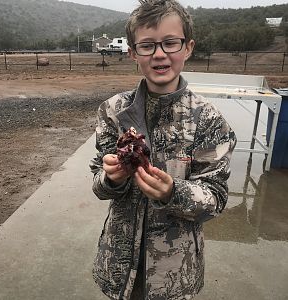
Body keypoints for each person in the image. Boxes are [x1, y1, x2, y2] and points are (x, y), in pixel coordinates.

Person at [90, 0, 237, 299]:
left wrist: (173, 193)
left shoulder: (209, 121)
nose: (159, 54)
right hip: (118, 265)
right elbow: (98, 182)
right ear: (133, 52)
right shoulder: (113, 111)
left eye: (171, 43)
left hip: (175, 272)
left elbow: (216, 198)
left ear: (188, 47)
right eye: (147, 45)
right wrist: (111, 179)